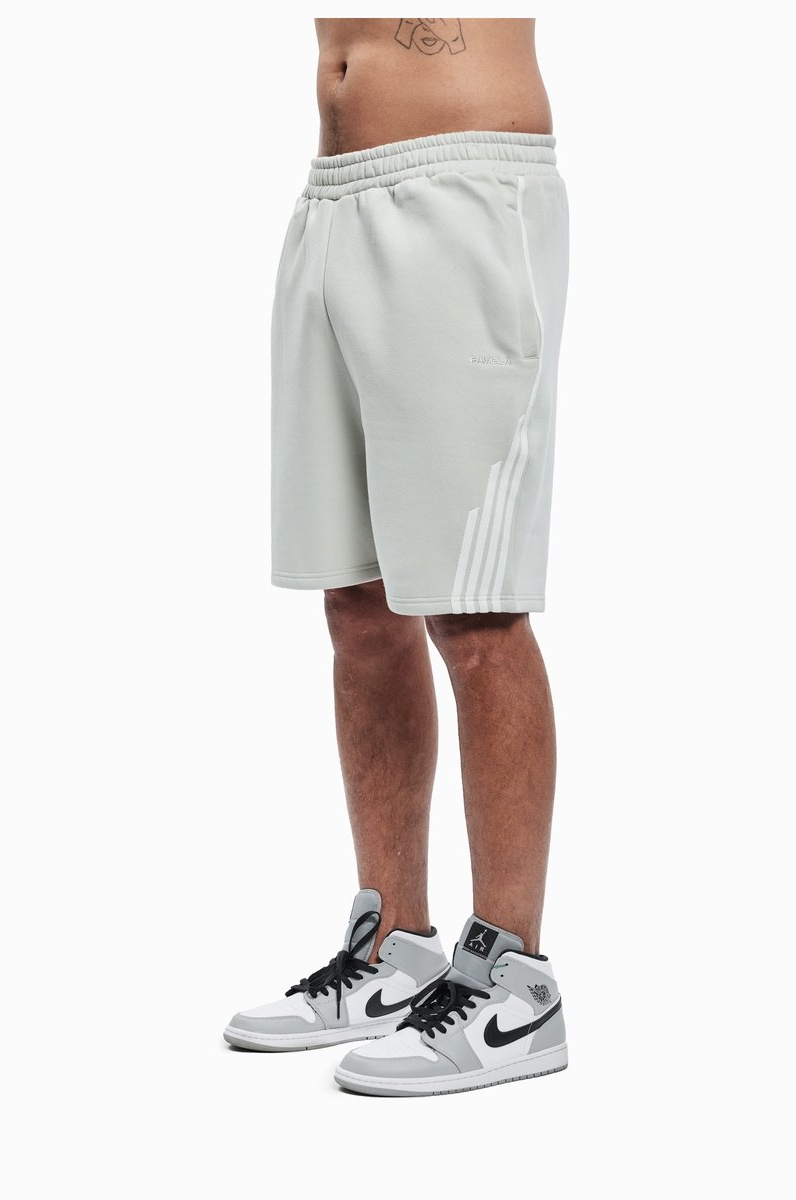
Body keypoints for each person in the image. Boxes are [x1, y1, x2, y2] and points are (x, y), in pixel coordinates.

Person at [225, 17, 570, 1097]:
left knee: (473, 609)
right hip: (332, 195)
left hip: (463, 181)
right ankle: (394, 948)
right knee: (357, 603)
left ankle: (516, 983)